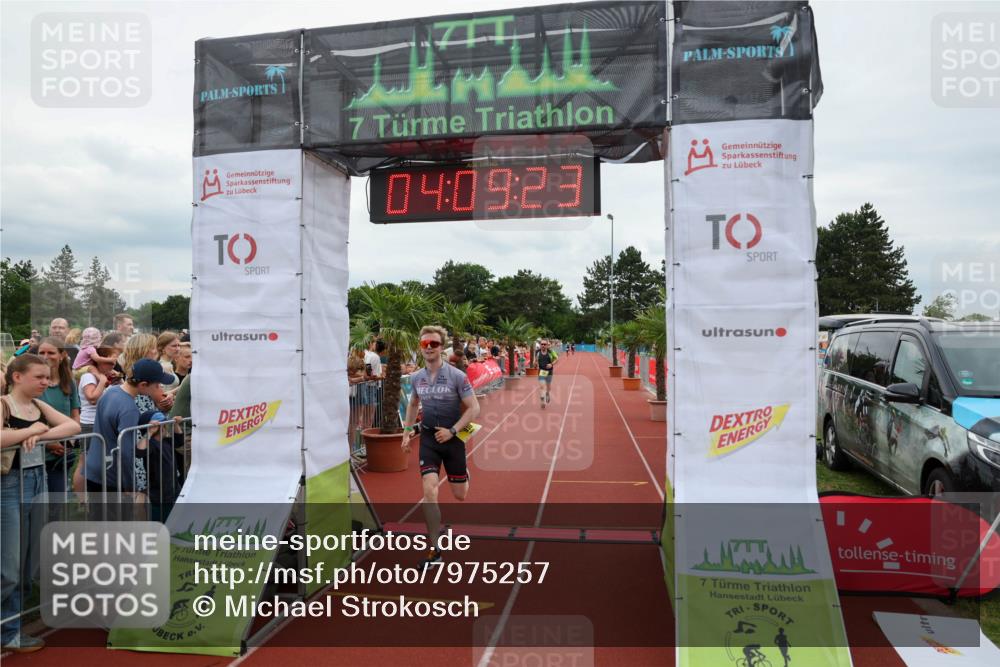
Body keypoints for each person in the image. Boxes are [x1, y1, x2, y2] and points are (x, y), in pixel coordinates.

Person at [2, 354, 80, 653]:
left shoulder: (37, 406)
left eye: (47, 377)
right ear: (17, 376)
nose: (45, 382)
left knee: (26, 564)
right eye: (39, 377)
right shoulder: (4, 404)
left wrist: (38, 431)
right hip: (8, 486)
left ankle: (10, 631)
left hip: (37, 481)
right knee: (8, 567)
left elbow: (72, 427)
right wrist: (28, 432)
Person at [401, 325, 480, 568]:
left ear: (440, 346)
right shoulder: (416, 378)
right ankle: (435, 549)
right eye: (424, 344)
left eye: (433, 344)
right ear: (420, 347)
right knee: (429, 491)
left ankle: (462, 474)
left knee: (460, 495)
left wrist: (454, 431)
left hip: (454, 438)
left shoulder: (457, 376)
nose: (428, 348)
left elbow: (475, 408)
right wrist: (406, 432)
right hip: (428, 439)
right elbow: (413, 404)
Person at [85, 358, 173, 496]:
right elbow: (126, 451)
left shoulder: (110, 392)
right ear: (143, 385)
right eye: (157, 385)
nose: (159, 388)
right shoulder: (129, 409)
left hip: (94, 468)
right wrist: (130, 485)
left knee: (96, 516)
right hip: (112, 476)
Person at [36, 338, 81, 494]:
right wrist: (49, 443)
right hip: (36, 452)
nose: (45, 356)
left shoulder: (69, 382)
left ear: (62, 355)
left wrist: (69, 441)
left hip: (62, 453)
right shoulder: (33, 383)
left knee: (58, 502)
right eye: (41, 352)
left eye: (51, 352)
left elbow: (75, 414)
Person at [535, 339, 557, 408]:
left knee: (548, 387)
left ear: (547, 345)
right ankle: (543, 401)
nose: (543, 345)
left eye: (545, 344)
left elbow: (556, 358)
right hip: (541, 371)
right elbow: (535, 361)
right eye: (542, 344)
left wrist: (551, 364)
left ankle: (547, 393)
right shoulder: (537, 352)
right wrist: (535, 364)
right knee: (542, 386)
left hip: (549, 371)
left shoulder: (551, 352)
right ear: (540, 345)